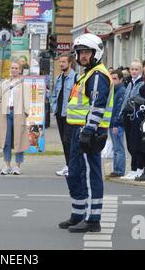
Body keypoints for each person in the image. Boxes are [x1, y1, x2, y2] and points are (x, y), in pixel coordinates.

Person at [58, 33, 114, 233]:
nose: (82, 56)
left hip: (88, 131)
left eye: (86, 52)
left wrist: (88, 131)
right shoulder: (85, 74)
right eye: (80, 52)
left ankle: (93, 220)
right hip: (76, 129)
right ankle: (78, 214)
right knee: (74, 174)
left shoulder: (98, 75)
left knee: (90, 175)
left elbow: (97, 106)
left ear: (95, 53)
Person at [0, 61, 31, 176]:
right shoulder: (4, 83)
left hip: (18, 113)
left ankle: (17, 166)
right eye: (12, 68)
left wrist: (25, 112)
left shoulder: (24, 83)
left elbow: (27, 99)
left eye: (16, 68)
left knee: (18, 140)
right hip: (6, 114)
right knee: (6, 140)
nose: (14, 70)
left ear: (20, 70)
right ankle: (7, 165)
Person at [51, 53, 76, 177]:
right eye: (60, 62)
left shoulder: (76, 78)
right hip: (59, 114)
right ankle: (68, 165)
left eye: (63, 62)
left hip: (70, 115)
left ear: (70, 63)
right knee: (64, 141)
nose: (61, 64)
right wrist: (54, 107)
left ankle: (71, 166)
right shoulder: (59, 78)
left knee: (69, 141)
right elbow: (54, 95)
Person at [120, 60, 144, 180]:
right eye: (132, 69)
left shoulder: (141, 83)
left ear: (140, 70)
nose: (134, 71)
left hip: (135, 115)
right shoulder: (130, 83)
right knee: (129, 144)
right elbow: (126, 99)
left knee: (136, 144)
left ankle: (138, 168)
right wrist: (121, 112)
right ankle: (133, 168)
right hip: (127, 114)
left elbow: (138, 99)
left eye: (136, 69)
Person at [107, 69, 126, 178]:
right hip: (112, 122)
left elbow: (119, 109)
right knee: (116, 148)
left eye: (114, 79)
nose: (112, 81)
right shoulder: (114, 90)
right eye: (111, 78)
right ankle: (116, 169)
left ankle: (119, 170)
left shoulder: (121, 91)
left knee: (118, 148)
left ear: (120, 79)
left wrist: (115, 124)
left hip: (116, 123)